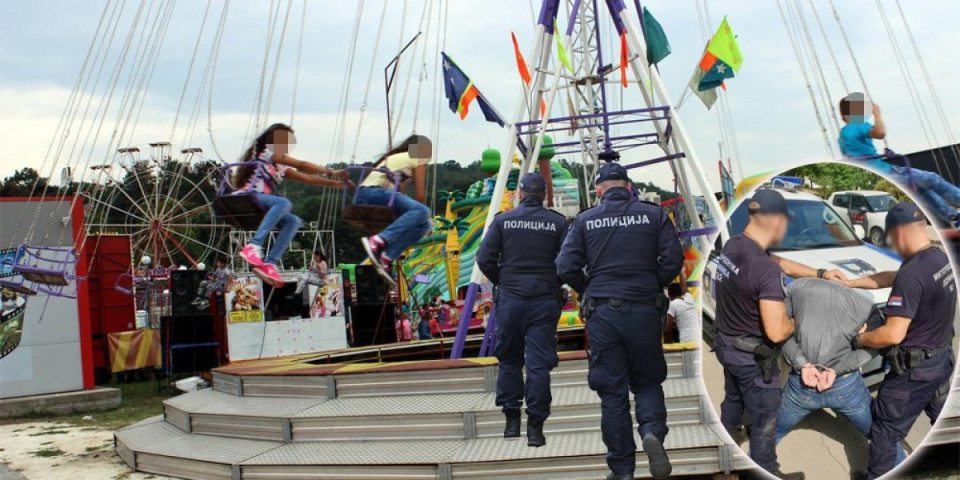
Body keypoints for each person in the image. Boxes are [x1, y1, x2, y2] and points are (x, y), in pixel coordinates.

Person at [556, 161, 682, 480]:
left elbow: (565, 267)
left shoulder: (584, 221)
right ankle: (652, 433)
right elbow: (673, 259)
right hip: (644, 309)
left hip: (603, 315)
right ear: (628, 186)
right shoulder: (654, 215)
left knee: (612, 393)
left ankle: (622, 470)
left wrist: (590, 288)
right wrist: (652, 284)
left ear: (599, 190)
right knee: (647, 382)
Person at [712, 188, 846, 480]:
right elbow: (776, 331)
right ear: (775, 221)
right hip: (754, 360)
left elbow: (780, 263)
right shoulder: (763, 270)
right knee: (763, 423)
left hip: (728, 346)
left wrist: (821, 273)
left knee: (733, 402)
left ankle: (726, 454)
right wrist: (801, 317)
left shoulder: (736, 246)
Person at [845, 202, 956, 479]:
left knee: (885, 429)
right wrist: (850, 283)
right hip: (941, 361)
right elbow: (891, 278)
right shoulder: (937, 258)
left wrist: (861, 339)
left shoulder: (913, 272)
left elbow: (892, 334)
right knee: (944, 418)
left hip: (913, 373)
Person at [477, 172, 568, 447]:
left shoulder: (503, 221)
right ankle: (536, 428)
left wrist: (503, 281)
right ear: (543, 194)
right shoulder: (557, 222)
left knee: (509, 359)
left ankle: (511, 422)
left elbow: (485, 258)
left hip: (511, 300)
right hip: (544, 300)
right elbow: (568, 260)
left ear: (521, 193)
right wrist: (554, 283)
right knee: (539, 365)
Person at [775, 278, 904, 460]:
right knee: (880, 432)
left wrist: (802, 363)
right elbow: (873, 347)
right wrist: (836, 370)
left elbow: (778, 330)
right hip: (846, 385)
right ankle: (899, 465)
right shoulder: (867, 307)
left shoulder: (795, 288)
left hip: (802, 385)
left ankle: (753, 466)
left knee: (772, 431)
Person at [235, 123, 348, 284]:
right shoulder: (267, 153)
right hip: (250, 196)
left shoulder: (280, 167)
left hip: (260, 202)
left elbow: (307, 178)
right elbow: (302, 165)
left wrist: (336, 184)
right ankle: (254, 246)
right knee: (283, 203)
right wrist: (332, 172)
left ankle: (269, 263)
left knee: (293, 221)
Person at [838, 93, 960, 227]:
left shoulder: (843, 136)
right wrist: (877, 114)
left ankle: (953, 216)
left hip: (880, 174)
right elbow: (880, 132)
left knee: (922, 191)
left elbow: (858, 155)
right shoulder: (858, 125)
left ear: (843, 118)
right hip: (886, 171)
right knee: (932, 179)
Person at [359, 134, 434, 285]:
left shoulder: (397, 159)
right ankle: (379, 240)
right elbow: (420, 195)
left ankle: (386, 257)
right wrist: (423, 214)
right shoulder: (418, 160)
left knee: (425, 225)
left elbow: (401, 195)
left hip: (367, 194)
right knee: (424, 212)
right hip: (375, 192)